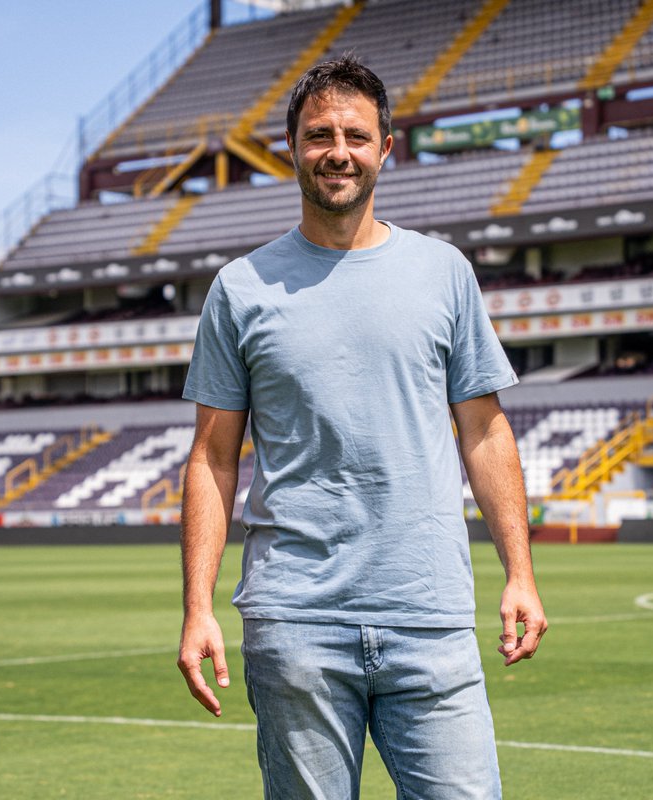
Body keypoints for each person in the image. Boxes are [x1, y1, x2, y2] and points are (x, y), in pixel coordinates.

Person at [177, 54, 546, 799]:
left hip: (429, 613)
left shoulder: (444, 271)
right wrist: (197, 608)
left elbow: (484, 430)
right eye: (319, 135)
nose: (337, 152)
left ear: (386, 148)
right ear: (291, 147)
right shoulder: (240, 288)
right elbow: (212, 457)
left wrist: (521, 573)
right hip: (296, 622)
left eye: (355, 136)